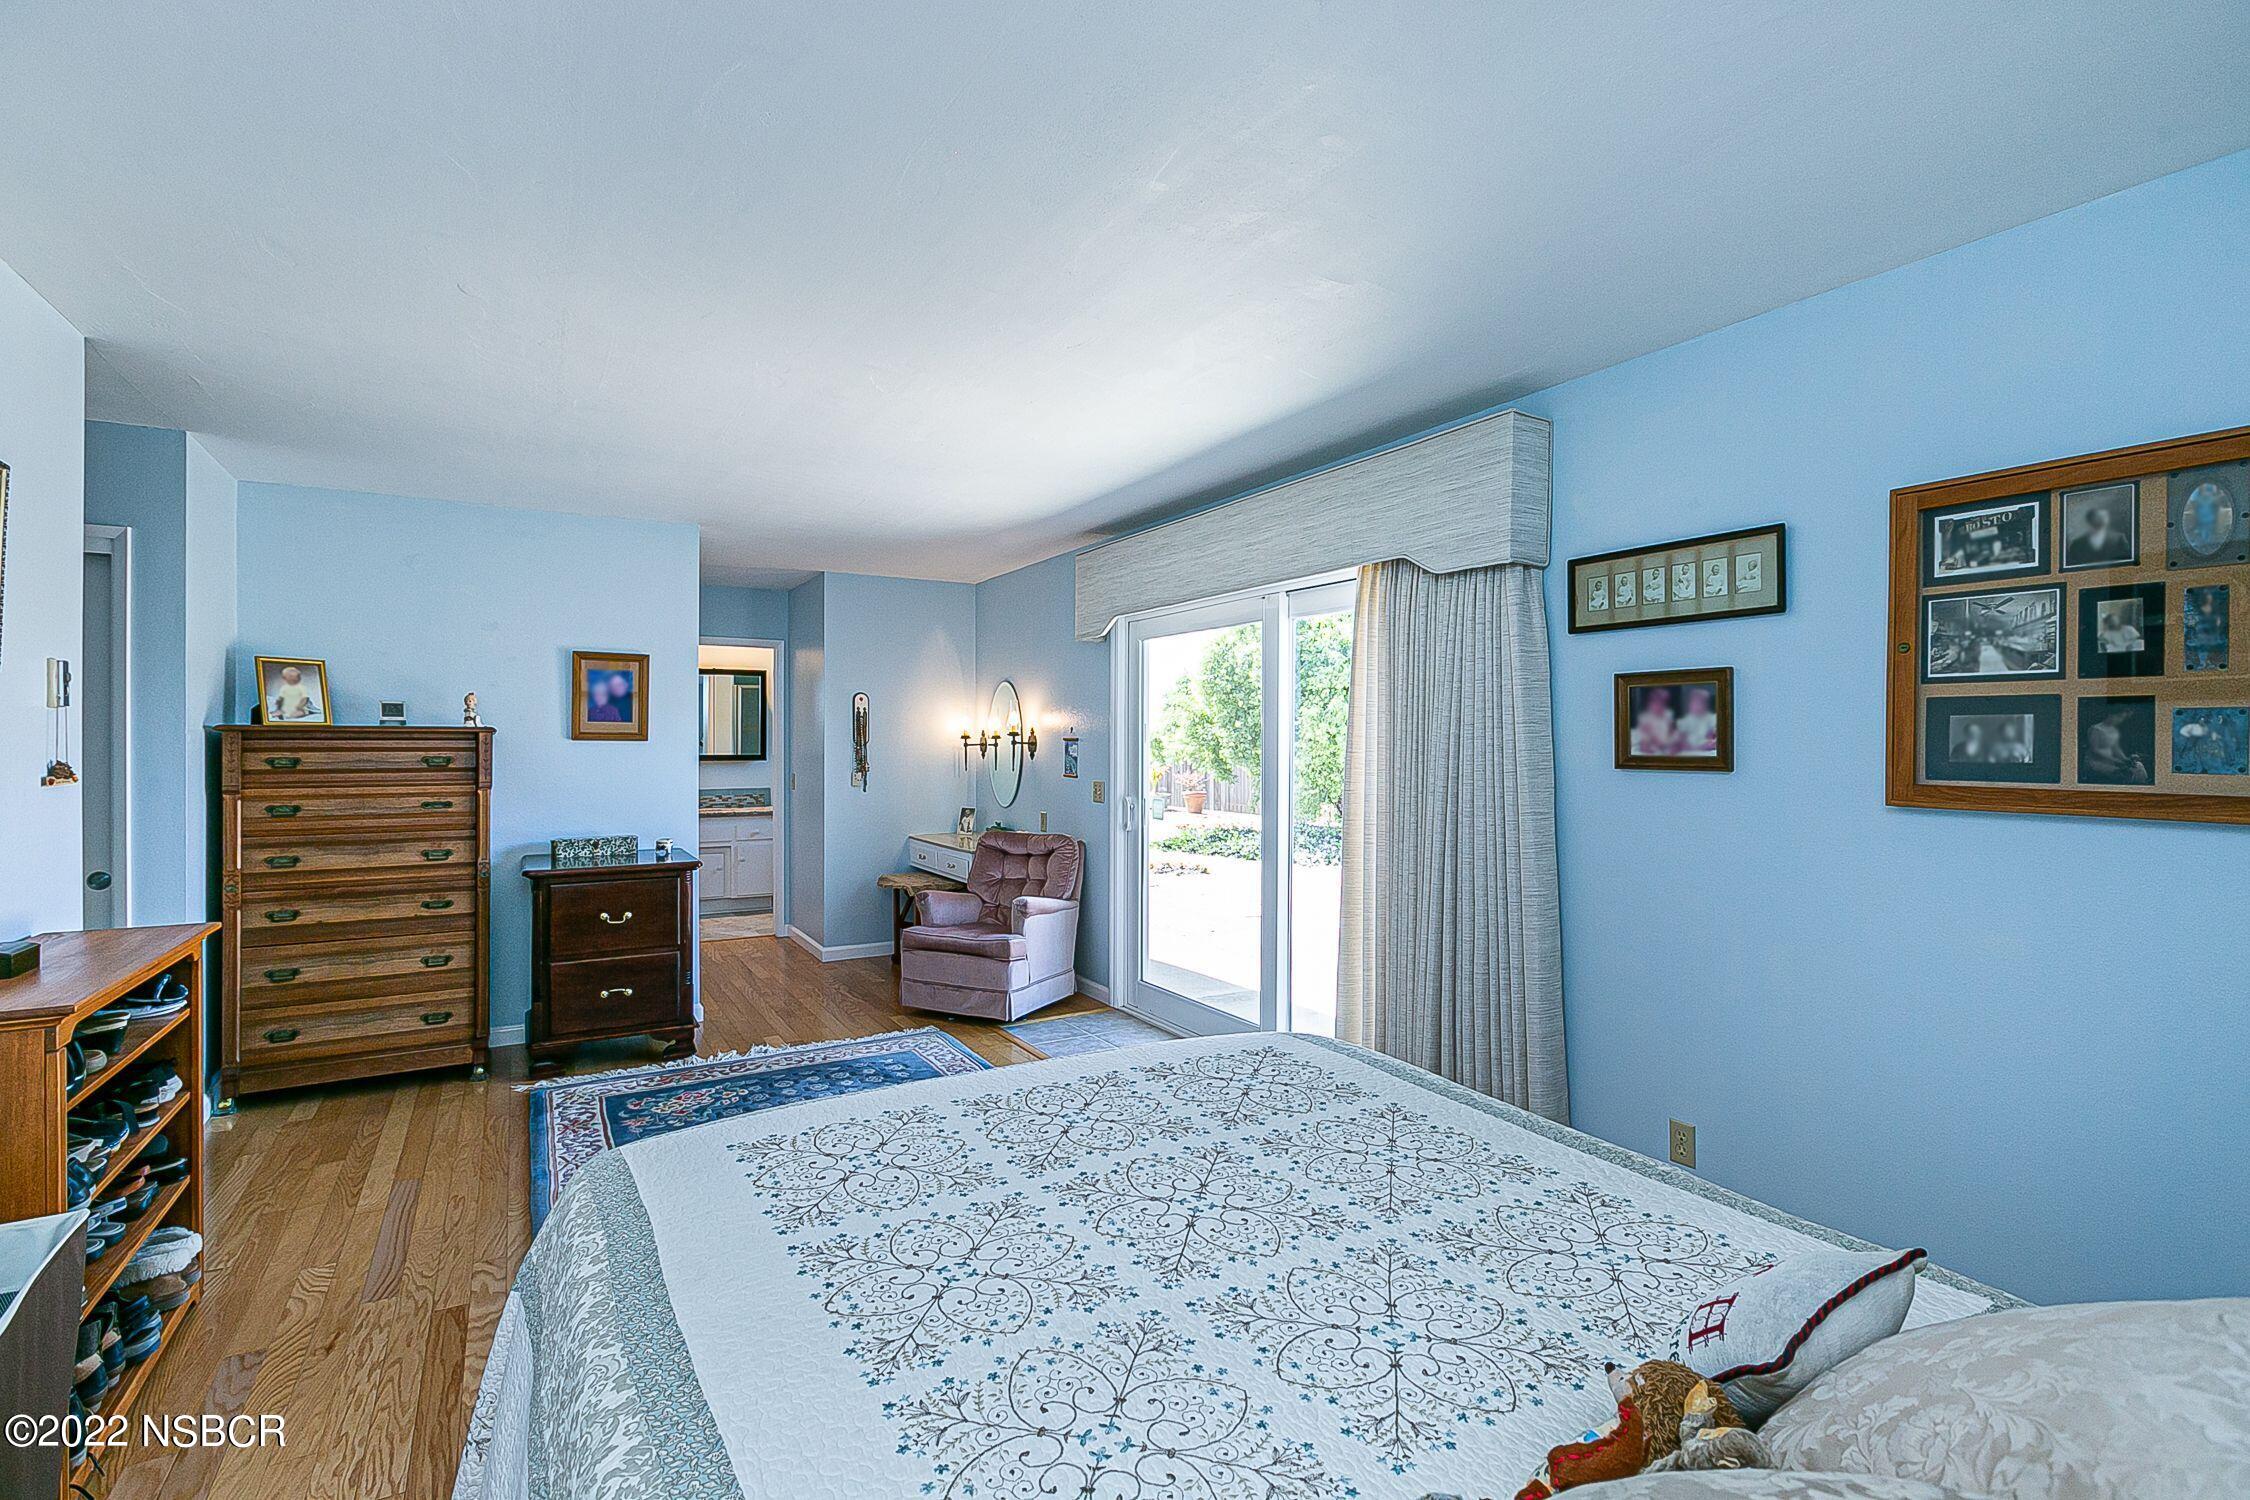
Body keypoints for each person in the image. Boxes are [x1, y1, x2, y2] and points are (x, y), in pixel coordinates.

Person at [2081, 709, 2150, 784]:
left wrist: (2126, 760)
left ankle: (2141, 788)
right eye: (2119, 717)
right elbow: (2096, 751)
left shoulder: (2114, 731)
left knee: (2138, 766)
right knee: (2122, 773)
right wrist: (2118, 761)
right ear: (2110, 715)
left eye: (2122, 718)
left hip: (2110, 761)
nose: (2120, 720)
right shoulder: (2095, 729)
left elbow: (2116, 749)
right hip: (2095, 762)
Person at [2067, 501, 2132, 567]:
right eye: (2099, 516)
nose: (2103, 519)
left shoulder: (2119, 538)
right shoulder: (2077, 543)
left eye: (2105, 516)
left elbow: (2126, 559)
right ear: (2090, 519)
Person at [1631, 687, 1678, 756]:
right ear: (1650, 704)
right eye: (1655, 703)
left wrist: (1670, 741)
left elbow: (1671, 730)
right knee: (1643, 741)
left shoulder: (1667, 714)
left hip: (1664, 740)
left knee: (1676, 741)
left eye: (1662, 704)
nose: (1659, 706)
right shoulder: (1646, 717)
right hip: (1650, 740)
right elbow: (1645, 733)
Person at [1675, 685, 1719, 755]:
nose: (1698, 705)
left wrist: (1713, 734)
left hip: (1709, 750)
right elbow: (1679, 741)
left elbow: (1717, 736)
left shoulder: (1713, 718)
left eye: (1702, 702)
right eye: (1695, 702)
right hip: (1691, 750)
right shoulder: (1684, 721)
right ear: (1690, 704)